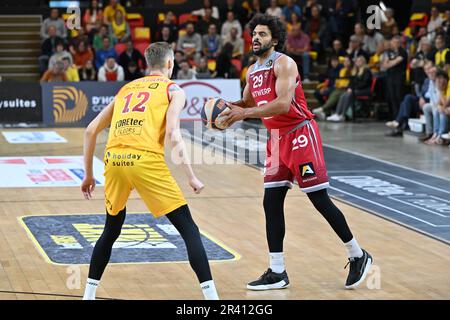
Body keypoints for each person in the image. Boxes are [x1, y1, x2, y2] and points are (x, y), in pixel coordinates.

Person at [220, 13, 372, 290]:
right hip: (277, 139)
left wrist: (244, 113)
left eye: (262, 34)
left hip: (300, 133)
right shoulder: (252, 71)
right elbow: (246, 101)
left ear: (275, 39)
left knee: (319, 199)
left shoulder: (285, 63)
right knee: (271, 203)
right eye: (254, 34)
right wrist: (225, 109)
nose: (256, 38)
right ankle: (277, 271)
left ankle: (358, 254)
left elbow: (282, 104)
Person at [81, 42, 219, 300]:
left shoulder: (126, 88)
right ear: (170, 63)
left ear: (147, 63)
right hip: (145, 160)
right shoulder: (173, 89)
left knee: (111, 230)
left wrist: (89, 175)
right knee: (189, 229)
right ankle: (212, 299)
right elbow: (173, 135)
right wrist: (191, 176)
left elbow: (90, 130)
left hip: (114, 160)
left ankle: (88, 295)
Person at [386, 63, 435, 137]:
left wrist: (423, 98)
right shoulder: (426, 80)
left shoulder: (437, 79)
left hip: (430, 101)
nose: (428, 71)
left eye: (429, 69)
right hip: (423, 101)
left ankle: (400, 124)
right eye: (426, 69)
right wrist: (421, 97)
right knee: (407, 98)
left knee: (404, 103)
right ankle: (402, 123)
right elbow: (422, 93)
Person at [327, 55, 372, 122]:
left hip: (364, 90)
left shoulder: (366, 70)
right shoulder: (356, 71)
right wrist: (350, 88)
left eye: (360, 61)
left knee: (348, 94)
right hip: (356, 89)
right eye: (357, 61)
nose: (358, 62)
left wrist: (353, 88)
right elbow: (351, 82)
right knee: (343, 95)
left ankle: (343, 115)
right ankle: (337, 114)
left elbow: (365, 83)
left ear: (363, 62)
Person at [313, 55, 352, 120]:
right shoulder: (341, 70)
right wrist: (325, 87)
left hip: (344, 88)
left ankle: (324, 110)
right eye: (345, 61)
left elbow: (348, 81)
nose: (345, 62)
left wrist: (337, 86)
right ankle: (325, 112)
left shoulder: (349, 69)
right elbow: (337, 81)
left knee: (334, 92)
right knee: (317, 93)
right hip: (337, 87)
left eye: (347, 61)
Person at [382, 35, 408, 120]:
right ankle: (395, 117)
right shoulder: (388, 52)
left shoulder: (403, 52)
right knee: (392, 98)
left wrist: (390, 63)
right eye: (393, 42)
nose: (394, 44)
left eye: (397, 42)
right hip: (390, 77)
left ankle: (401, 118)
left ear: (399, 43)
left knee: (399, 97)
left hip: (399, 77)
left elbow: (396, 62)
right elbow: (384, 65)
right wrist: (390, 63)